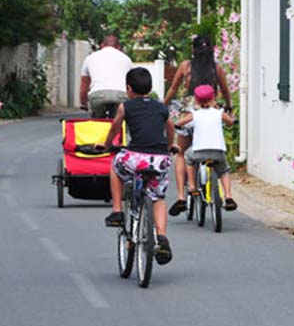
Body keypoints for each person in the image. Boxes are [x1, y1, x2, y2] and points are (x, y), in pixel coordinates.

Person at [96, 67, 178, 265]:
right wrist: (169, 146)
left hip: (135, 157)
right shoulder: (161, 107)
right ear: (150, 88)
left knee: (115, 166)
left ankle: (117, 210)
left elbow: (115, 126)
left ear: (129, 89)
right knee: (157, 197)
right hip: (158, 159)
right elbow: (170, 128)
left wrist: (106, 145)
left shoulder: (126, 107)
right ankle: (162, 236)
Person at [164, 36, 232, 214]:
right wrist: (229, 106)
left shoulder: (186, 66)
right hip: (212, 107)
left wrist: (163, 104)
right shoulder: (216, 68)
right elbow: (225, 90)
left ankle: (180, 196)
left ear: (193, 50)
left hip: (189, 111)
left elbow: (173, 88)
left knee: (180, 153)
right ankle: (226, 193)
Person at [175, 85, 238, 213]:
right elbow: (230, 122)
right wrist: (233, 120)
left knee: (187, 157)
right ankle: (228, 195)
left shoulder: (194, 114)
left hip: (199, 152)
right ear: (213, 98)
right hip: (218, 152)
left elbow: (179, 123)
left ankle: (192, 186)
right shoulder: (220, 113)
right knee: (224, 170)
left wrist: (179, 126)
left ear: (196, 101)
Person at [80, 35, 133, 118]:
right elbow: (131, 84)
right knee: (119, 122)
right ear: (118, 47)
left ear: (102, 45)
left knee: (98, 123)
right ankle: (119, 128)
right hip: (121, 95)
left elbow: (84, 85)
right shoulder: (127, 59)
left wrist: (83, 103)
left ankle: (98, 126)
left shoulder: (90, 58)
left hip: (97, 95)